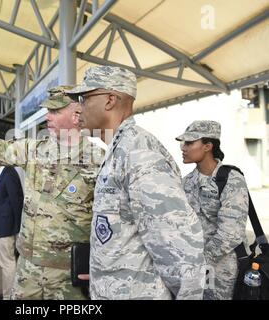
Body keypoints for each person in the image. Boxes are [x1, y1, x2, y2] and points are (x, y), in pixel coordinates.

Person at [66, 66, 206, 300]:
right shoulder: (121, 149)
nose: (79, 108)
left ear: (110, 100)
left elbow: (179, 248)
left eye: (85, 98)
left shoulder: (140, 154)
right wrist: (106, 271)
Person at [0, 86, 105, 299]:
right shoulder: (34, 150)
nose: (48, 116)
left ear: (76, 115)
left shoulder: (98, 160)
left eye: (55, 111)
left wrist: (101, 265)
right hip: (28, 269)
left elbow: (111, 219)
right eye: (48, 110)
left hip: (68, 274)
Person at [176, 120, 249, 300]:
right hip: (194, 268)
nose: (183, 148)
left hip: (224, 270)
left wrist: (200, 259)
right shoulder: (186, 182)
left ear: (208, 146)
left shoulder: (231, 179)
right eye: (183, 143)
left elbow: (231, 233)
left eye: (189, 143)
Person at [0, 163, 24, 300]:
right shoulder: (4, 173)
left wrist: (18, 230)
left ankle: (9, 296)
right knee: (7, 262)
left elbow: (16, 202)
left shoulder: (9, 174)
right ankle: (8, 292)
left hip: (6, 226)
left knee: (7, 263)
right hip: (3, 224)